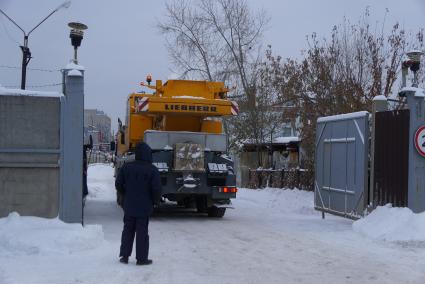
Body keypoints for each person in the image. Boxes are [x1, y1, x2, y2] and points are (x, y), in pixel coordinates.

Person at [115, 142, 161, 265]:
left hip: (129, 205)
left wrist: (125, 194)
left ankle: (124, 256)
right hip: (144, 207)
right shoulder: (152, 170)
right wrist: (155, 201)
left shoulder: (126, 167)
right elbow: (156, 189)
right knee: (142, 232)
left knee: (127, 230)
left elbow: (118, 184)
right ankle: (141, 258)